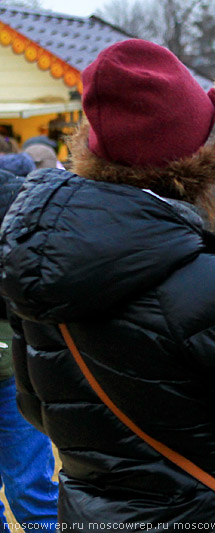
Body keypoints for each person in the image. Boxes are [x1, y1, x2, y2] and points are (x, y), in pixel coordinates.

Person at [0, 39, 215, 529]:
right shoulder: (202, 278)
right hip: (193, 512)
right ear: (199, 157)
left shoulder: (34, 257)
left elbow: (35, 405)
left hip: (86, 512)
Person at [0, 169, 58, 530]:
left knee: (32, 489)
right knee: (33, 488)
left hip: (13, 363)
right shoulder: (17, 189)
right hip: (17, 356)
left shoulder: (16, 193)